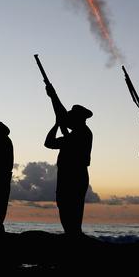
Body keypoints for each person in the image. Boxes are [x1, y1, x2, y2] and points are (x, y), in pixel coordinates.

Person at [44, 85, 93, 237]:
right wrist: (53, 97)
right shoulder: (77, 133)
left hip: (74, 175)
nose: (69, 119)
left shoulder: (80, 134)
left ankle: (73, 237)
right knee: (67, 207)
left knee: (71, 209)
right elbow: (63, 117)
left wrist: (57, 123)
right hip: (70, 175)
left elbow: (49, 143)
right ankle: (71, 235)